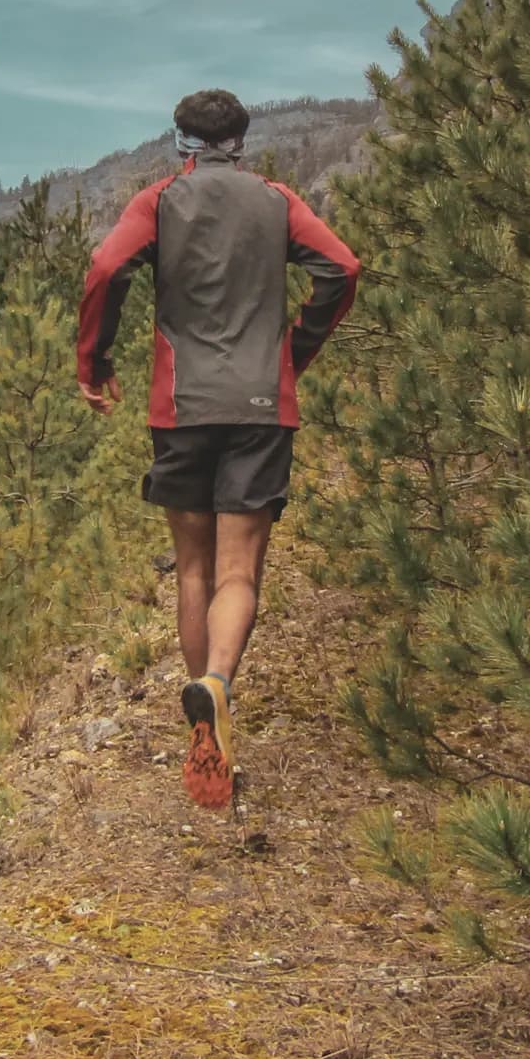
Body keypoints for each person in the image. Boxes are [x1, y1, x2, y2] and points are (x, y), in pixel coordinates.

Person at [75, 90, 361, 810]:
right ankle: (218, 689)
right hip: (263, 407)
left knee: (194, 571)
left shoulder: (160, 202)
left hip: (181, 409)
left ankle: (203, 721)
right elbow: (342, 270)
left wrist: (94, 359)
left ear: (183, 143)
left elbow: (106, 270)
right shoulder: (277, 201)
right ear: (242, 140)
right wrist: (296, 350)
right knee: (241, 574)